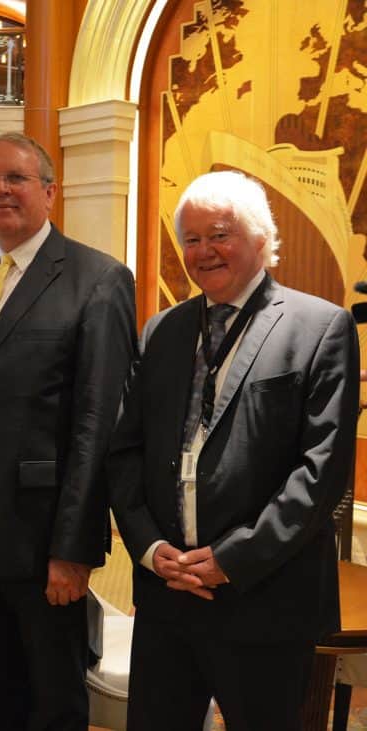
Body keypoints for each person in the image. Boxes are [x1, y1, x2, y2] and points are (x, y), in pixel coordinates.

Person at [109, 170, 360, 731]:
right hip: (168, 597)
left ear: (260, 237)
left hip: (265, 601)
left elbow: (319, 476)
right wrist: (150, 548)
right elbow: (124, 454)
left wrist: (231, 560)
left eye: (219, 234)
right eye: (192, 239)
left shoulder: (320, 327)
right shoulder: (161, 332)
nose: (203, 251)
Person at [0, 132, 137, 729]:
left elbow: (97, 424)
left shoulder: (97, 280)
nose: (0, 189)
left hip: (42, 541)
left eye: (15, 178)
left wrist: (72, 550)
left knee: (52, 702)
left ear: (50, 191)